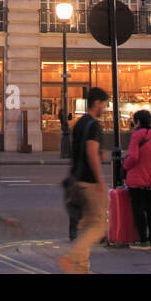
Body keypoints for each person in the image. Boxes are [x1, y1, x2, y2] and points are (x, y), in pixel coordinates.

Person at [58, 87, 109, 274]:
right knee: (99, 224)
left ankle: (81, 268)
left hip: (76, 179)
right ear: (97, 103)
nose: (105, 108)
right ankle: (72, 258)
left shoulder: (79, 124)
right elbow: (91, 152)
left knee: (86, 225)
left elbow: (80, 151)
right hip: (89, 181)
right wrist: (100, 180)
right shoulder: (94, 125)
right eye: (104, 104)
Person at [122, 109, 151, 250]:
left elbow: (133, 157)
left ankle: (143, 240)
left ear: (138, 122)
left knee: (138, 209)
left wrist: (125, 165)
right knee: (150, 209)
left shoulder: (137, 136)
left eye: (134, 121)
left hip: (136, 177)